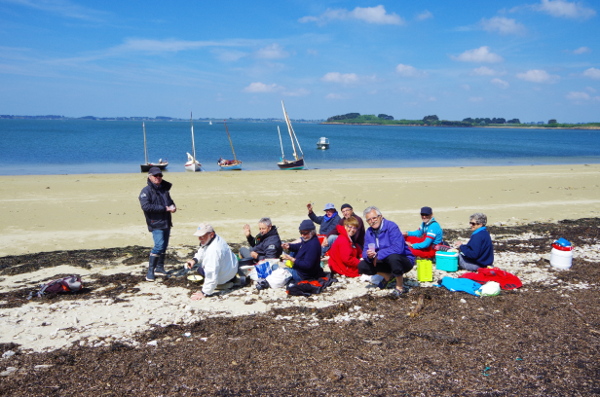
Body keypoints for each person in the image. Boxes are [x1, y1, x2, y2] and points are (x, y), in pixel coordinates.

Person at [359, 206, 415, 297]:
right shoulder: (369, 232)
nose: (372, 221)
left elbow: (398, 248)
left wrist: (378, 254)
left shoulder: (391, 226)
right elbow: (365, 250)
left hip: (404, 260)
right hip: (383, 261)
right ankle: (387, 276)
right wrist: (369, 255)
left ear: (381, 216)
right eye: (369, 220)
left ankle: (400, 286)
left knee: (393, 257)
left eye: (374, 218)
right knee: (362, 265)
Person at [139, 167, 177, 282]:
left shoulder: (164, 189)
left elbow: (169, 202)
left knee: (164, 246)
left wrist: (173, 207)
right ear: (149, 177)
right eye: (155, 176)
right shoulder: (145, 191)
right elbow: (146, 206)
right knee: (159, 245)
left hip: (166, 222)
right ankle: (150, 271)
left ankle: (159, 268)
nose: (158, 178)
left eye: (160, 176)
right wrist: (164, 208)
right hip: (155, 223)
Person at [186, 223, 238, 300]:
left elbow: (211, 273)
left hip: (225, 276)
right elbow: (203, 249)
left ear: (211, 234)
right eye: (199, 236)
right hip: (232, 268)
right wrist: (194, 260)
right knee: (201, 268)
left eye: (202, 236)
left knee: (200, 270)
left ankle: (224, 284)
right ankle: (228, 280)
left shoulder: (213, 251)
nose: (200, 238)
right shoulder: (215, 238)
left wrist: (204, 293)